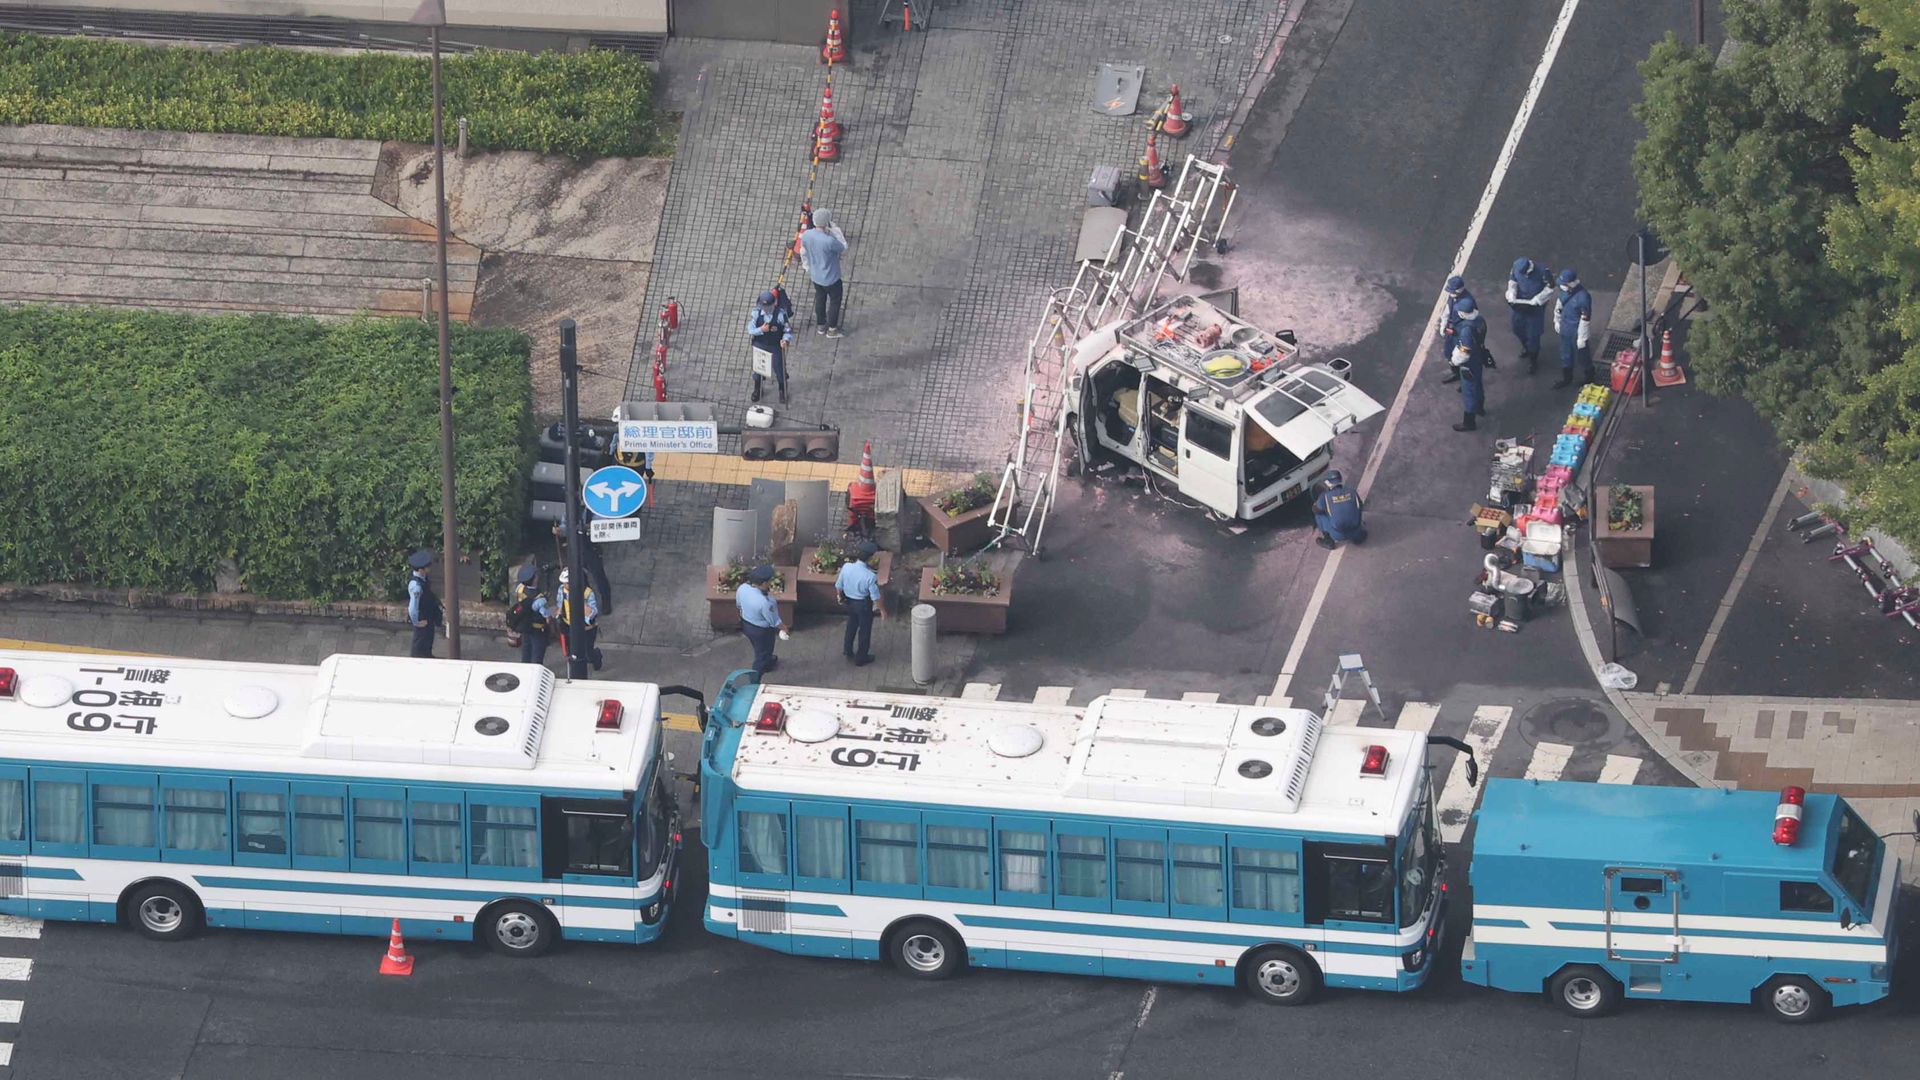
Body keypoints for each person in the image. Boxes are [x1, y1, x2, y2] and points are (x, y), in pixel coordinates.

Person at [800, 208, 848, 338]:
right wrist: (836, 231)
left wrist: (807, 267)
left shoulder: (807, 235)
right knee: (834, 301)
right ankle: (832, 329)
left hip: (816, 276)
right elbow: (843, 247)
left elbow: (803, 251)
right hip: (831, 277)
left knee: (820, 299)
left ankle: (821, 325)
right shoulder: (829, 241)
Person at [835, 541, 884, 665]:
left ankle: (847, 649)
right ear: (870, 558)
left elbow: (839, 585)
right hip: (863, 604)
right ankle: (861, 657)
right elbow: (875, 596)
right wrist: (882, 610)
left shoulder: (846, 567)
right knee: (864, 630)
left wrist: (840, 596)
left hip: (850, 602)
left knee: (851, 625)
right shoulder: (870, 576)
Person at [1504, 257, 1554, 373]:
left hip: (1535, 308)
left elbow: (1550, 287)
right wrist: (1512, 295)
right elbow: (1513, 282)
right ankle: (1526, 348)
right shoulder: (1516, 267)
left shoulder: (1543, 271)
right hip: (1520, 305)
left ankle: (1533, 360)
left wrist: (1538, 299)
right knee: (1517, 328)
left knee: (1533, 336)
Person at [735, 564, 786, 675]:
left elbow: (738, 605)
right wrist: (784, 628)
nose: (771, 582)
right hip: (762, 631)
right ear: (763, 584)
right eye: (769, 581)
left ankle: (768, 661)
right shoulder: (766, 602)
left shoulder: (742, 588)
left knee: (758, 647)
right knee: (762, 654)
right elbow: (774, 621)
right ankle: (754, 680)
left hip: (746, 625)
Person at [747, 289, 793, 404]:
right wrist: (761, 330)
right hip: (760, 344)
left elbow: (787, 330)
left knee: (779, 368)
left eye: (768, 307)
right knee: (758, 368)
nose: (766, 310)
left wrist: (785, 340)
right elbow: (750, 330)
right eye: (764, 307)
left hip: (775, 345)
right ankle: (757, 388)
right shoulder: (756, 314)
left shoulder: (781, 315)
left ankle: (782, 390)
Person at [1451, 296, 1489, 431]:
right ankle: (1480, 408)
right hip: (1478, 357)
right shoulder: (1480, 320)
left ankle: (1469, 422)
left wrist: (1454, 361)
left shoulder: (1466, 330)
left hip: (1469, 363)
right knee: (1478, 385)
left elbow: (1464, 352)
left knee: (1469, 391)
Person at [555, 567, 602, 676]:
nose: (565, 585)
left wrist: (585, 606)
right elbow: (560, 602)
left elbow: (593, 611)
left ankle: (596, 656)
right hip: (569, 625)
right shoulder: (562, 589)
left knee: (587, 653)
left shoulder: (587, 593)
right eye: (564, 583)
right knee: (573, 652)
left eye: (567, 583)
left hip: (586, 629)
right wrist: (559, 613)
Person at [1553, 268, 1594, 388]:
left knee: (1583, 355)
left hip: (1577, 330)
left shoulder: (1583, 297)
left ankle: (1589, 377)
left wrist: (1582, 337)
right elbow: (1559, 306)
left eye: (1564, 284)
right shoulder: (1564, 292)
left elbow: (1585, 318)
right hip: (1565, 328)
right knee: (1566, 354)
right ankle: (1567, 378)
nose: (1562, 287)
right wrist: (1557, 320)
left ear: (1570, 283)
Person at [507, 562, 551, 666]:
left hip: (525, 627)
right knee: (537, 656)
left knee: (526, 652)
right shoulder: (539, 599)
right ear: (534, 579)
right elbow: (547, 615)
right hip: (538, 630)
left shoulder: (520, 588)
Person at [1311, 471, 1367, 549]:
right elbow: (1360, 506)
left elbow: (1315, 510)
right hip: (1355, 531)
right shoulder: (1352, 492)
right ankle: (1357, 536)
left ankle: (1328, 540)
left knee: (1319, 514)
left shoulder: (1325, 496)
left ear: (1328, 483)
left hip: (1337, 535)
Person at [404, 549, 442, 658]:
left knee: (428, 638)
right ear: (421, 570)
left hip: (428, 615)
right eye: (427, 567)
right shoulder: (416, 586)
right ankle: (419, 659)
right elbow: (412, 608)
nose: (429, 568)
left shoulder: (422, 578)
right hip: (422, 617)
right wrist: (416, 622)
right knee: (420, 641)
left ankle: (427, 655)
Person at [1437, 275, 1473, 384]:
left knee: (1464, 359)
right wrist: (1444, 325)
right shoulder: (1452, 298)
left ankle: (1466, 378)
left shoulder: (1467, 303)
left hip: (1460, 333)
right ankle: (1456, 373)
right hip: (1452, 331)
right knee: (1449, 352)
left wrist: (1455, 360)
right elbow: (1447, 311)